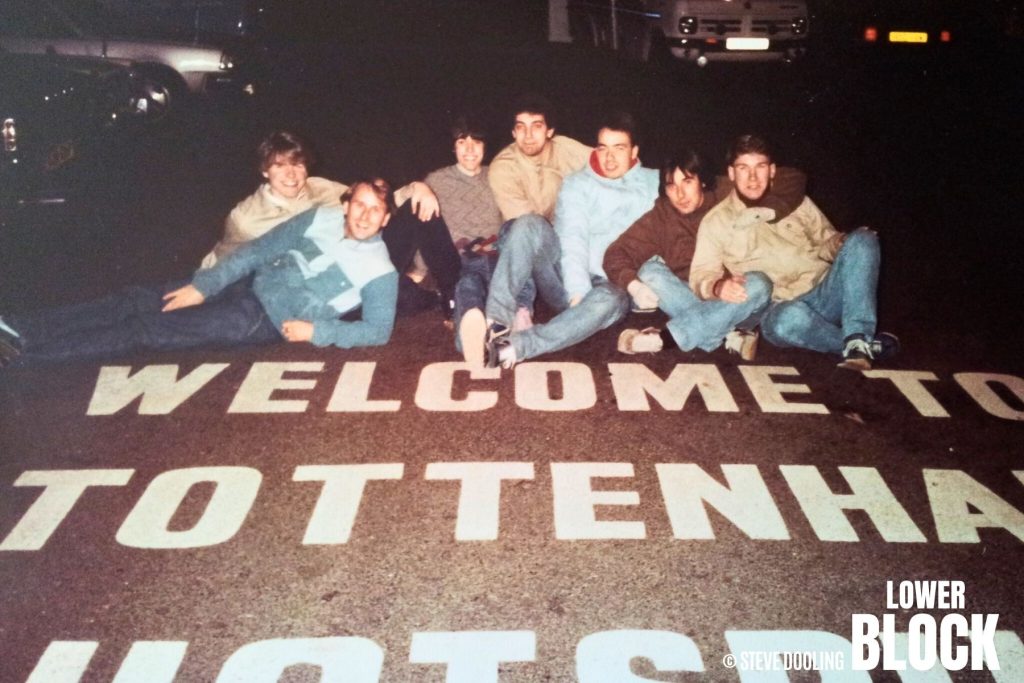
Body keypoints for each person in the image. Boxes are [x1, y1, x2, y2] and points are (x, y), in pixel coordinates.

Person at [0, 181, 398, 366]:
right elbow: (259, 249)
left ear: (386, 217)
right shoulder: (320, 217)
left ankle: (26, 355)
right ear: (347, 204)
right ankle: (19, 327)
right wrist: (203, 286)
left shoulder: (381, 272)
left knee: (147, 330)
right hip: (245, 282)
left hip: (259, 320)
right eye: (359, 204)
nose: (364, 215)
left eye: (374, 209)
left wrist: (319, 333)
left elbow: (377, 332)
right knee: (137, 298)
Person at [689, 134, 899, 370]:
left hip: (824, 292)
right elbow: (700, 274)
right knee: (785, 323)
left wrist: (841, 243)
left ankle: (858, 337)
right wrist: (718, 286)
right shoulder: (716, 220)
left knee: (863, 239)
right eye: (743, 168)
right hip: (782, 307)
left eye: (760, 167)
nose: (752, 177)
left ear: (772, 171)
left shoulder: (796, 203)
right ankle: (856, 344)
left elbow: (826, 240)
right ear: (731, 173)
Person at [202, 130, 460, 321]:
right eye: (280, 166)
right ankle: (414, 293)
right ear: (265, 171)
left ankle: (455, 296)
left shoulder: (320, 188)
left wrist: (418, 188)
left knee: (420, 208)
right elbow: (224, 259)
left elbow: (370, 200)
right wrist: (200, 288)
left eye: (298, 165)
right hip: (323, 289)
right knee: (402, 298)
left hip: (358, 254)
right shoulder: (246, 218)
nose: (291, 175)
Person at [483, 112, 658, 368]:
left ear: (634, 151)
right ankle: (496, 322)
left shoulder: (655, 183)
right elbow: (573, 237)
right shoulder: (577, 183)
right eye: (602, 148)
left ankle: (515, 347)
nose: (609, 158)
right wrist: (577, 291)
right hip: (566, 279)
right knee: (529, 224)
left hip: (614, 284)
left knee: (611, 299)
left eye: (618, 149)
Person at [604, 147, 807, 360]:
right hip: (696, 295)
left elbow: (792, 178)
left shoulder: (725, 192)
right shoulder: (662, 216)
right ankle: (728, 335)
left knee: (760, 282)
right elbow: (616, 253)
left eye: (688, 182)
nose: (680, 194)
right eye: (672, 185)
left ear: (702, 181)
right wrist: (634, 287)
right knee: (649, 272)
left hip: (740, 301)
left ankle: (664, 339)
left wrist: (765, 211)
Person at [424, 114, 534, 366]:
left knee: (517, 250)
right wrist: (417, 187)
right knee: (468, 284)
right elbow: (408, 207)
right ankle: (471, 330)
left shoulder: (497, 175)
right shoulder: (437, 180)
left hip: (497, 252)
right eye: (463, 142)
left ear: (486, 146)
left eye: (477, 142)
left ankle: (520, 314)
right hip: (462, 257)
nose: (470, 149)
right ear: (454, 147)